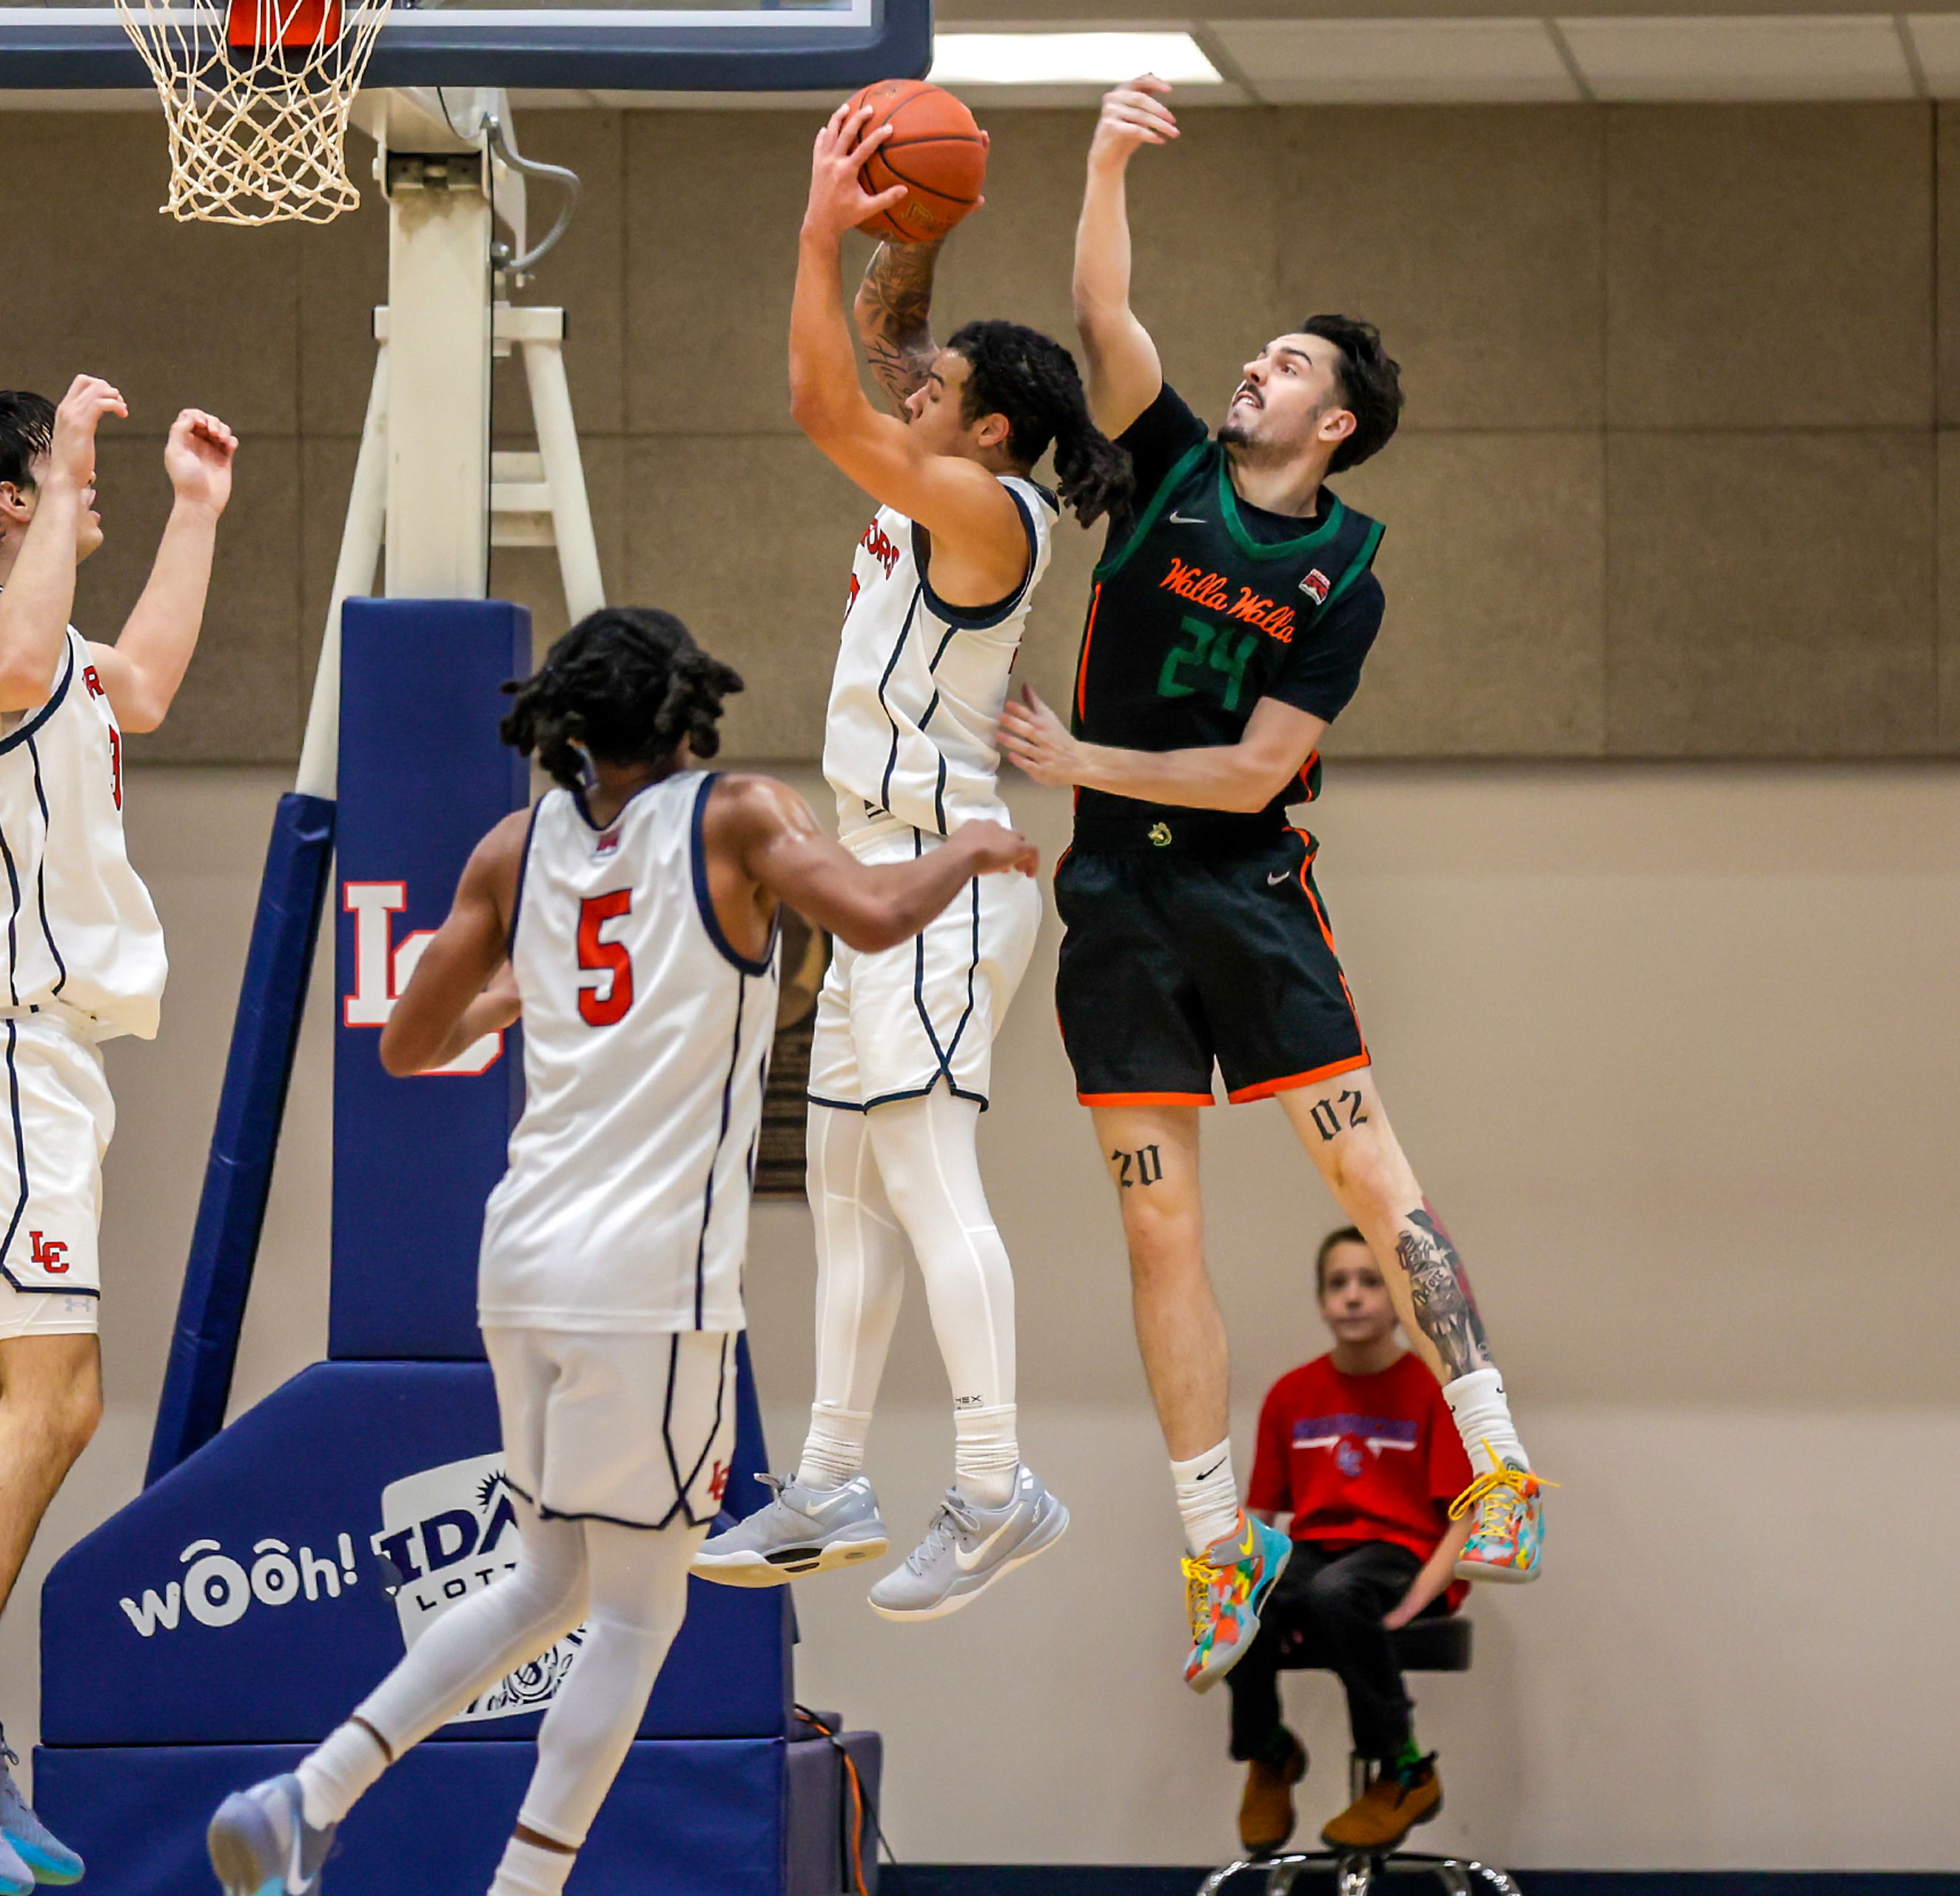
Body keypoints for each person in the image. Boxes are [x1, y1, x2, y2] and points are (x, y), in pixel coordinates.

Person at [205, 608, 1035, 1896]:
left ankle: (309, 1798)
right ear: (690, 710)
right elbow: (872, 917)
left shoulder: (509, 848)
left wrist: (525, 984)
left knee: (546, 1578)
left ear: (567, 727)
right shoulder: (741, 815)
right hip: (651, 1281)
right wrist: (971, 850)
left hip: (520, 1267)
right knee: (644, 1610)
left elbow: (410, 1044)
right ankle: (518, 1886)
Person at [993, 75, 1544, 1695]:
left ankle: (1499, 1460)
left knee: (1376, 1179)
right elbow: (1103, 304)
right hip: (1118, 907)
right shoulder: (1164, 464)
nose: (1257, 364)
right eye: (1263, 348)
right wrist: (1101, 156)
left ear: (1338, 424)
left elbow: (1250, 771)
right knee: (1161, 1232)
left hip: (1242, 889)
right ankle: (1212, 1544)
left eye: (1290, 362)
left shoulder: (1345, 575)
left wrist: (1080, 759)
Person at [698, 96, 1136, 1623]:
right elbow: (884, 343)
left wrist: (822, 224)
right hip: (878, 874)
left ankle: (998, 1481)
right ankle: (828, 1478)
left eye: (937, 388)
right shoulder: (946, 454)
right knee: (851, 1186)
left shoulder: (986, 508)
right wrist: (914, 221)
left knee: (930, 1168)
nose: (912, 387)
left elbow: (829, 406)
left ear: (992, 428)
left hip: (946, 878)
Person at [0, 378, 239, 1894]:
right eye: (65, 480)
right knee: (61, 1401)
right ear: (15, 498)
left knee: (2, 1390)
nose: (93, 493)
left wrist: (196, 518)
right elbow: (24, 652)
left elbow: (134, 683)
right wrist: (71, 449)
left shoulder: (38, 642)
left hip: (31, 1052)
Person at [1226, 1230, 1474, 1855]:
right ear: (1321, 1300)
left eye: (1371, 1282)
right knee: (1240, 1599)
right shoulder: (1290, 1394)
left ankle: (1405, 1768)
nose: (1355, 1297)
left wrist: (1425, 1596)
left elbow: (1463, 1520)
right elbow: (1261, 1514)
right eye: (1339, 1283)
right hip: (1317, 1553)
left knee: (1336, 1595)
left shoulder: (1433, 1391)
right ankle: (1270, 1751)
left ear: (1397, 1302)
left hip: (1402, 1553)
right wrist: (1229, 1583)